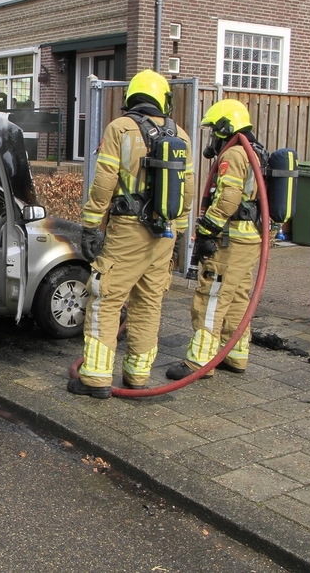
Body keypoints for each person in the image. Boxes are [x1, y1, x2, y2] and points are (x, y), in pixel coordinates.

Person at [69, 70, 194, 397]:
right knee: (148, 304)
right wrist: (177, 231)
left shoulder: (121, 129)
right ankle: (137, 376)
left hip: (128, 231)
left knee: (105, 299)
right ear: (163, 99)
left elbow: (104, 183)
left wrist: (91, 224)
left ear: (132, 99)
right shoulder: (181, 135)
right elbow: (188, 192)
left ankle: (95, 378)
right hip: (164, 233)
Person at [166, 98, 261, 381]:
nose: (211, 136)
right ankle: (235, 355)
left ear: (224, 127)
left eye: (213, 130)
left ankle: (199, 361)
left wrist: (208, 229)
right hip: (250, 240)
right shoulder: (254, 151)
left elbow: (229, 197)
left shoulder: (233, 155)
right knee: (238, 297)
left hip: (230, 241)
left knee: (212, 296)